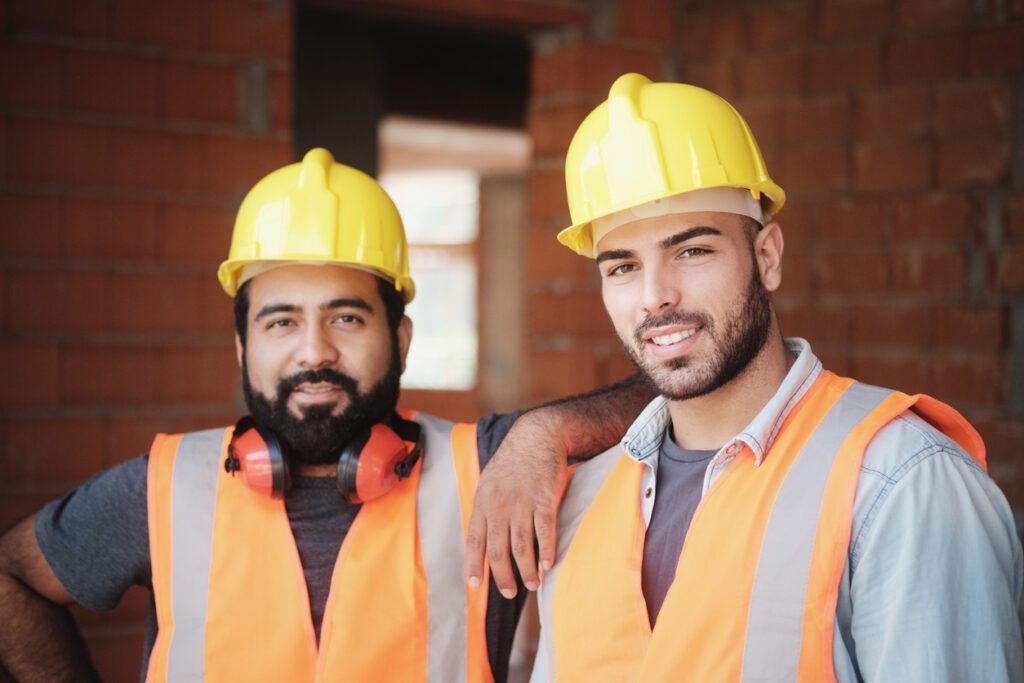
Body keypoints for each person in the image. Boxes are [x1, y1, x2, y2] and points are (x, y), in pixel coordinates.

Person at [0, 148, 652, 683]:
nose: (314, 350)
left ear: (399, 339)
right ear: (243, 346)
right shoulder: (163, 489)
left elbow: (673, 385)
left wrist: (547, 429)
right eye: (281, 320)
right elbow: (12, 575)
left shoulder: (485, 467)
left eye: (346, 316)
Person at [478, 74, 1024, 681]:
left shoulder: (899, 484)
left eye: (692, 251)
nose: (656, 297)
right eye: (623, 267)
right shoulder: (583, 498)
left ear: (767, 257)